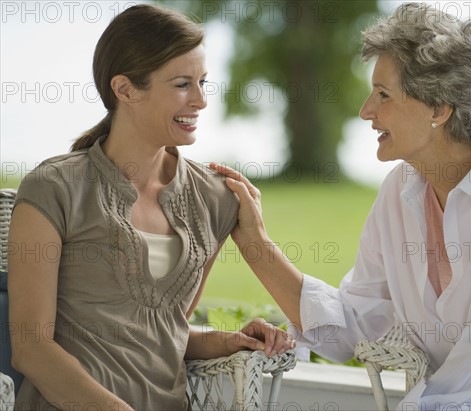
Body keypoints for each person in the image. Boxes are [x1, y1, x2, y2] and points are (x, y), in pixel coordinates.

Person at [211, 3, 471, 410]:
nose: (366, 111)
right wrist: (255, 242)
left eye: (383, 95)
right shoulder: (400, 191)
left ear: (439, 108)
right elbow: (353, 324)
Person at [8, 4, 294, 410]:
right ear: (125, 89)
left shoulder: (213, 197)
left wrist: (225, 341)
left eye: (203, 83)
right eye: (181, 84)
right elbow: (32, 347)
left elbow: (164, 333)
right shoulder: (54, 187)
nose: (200, 100)